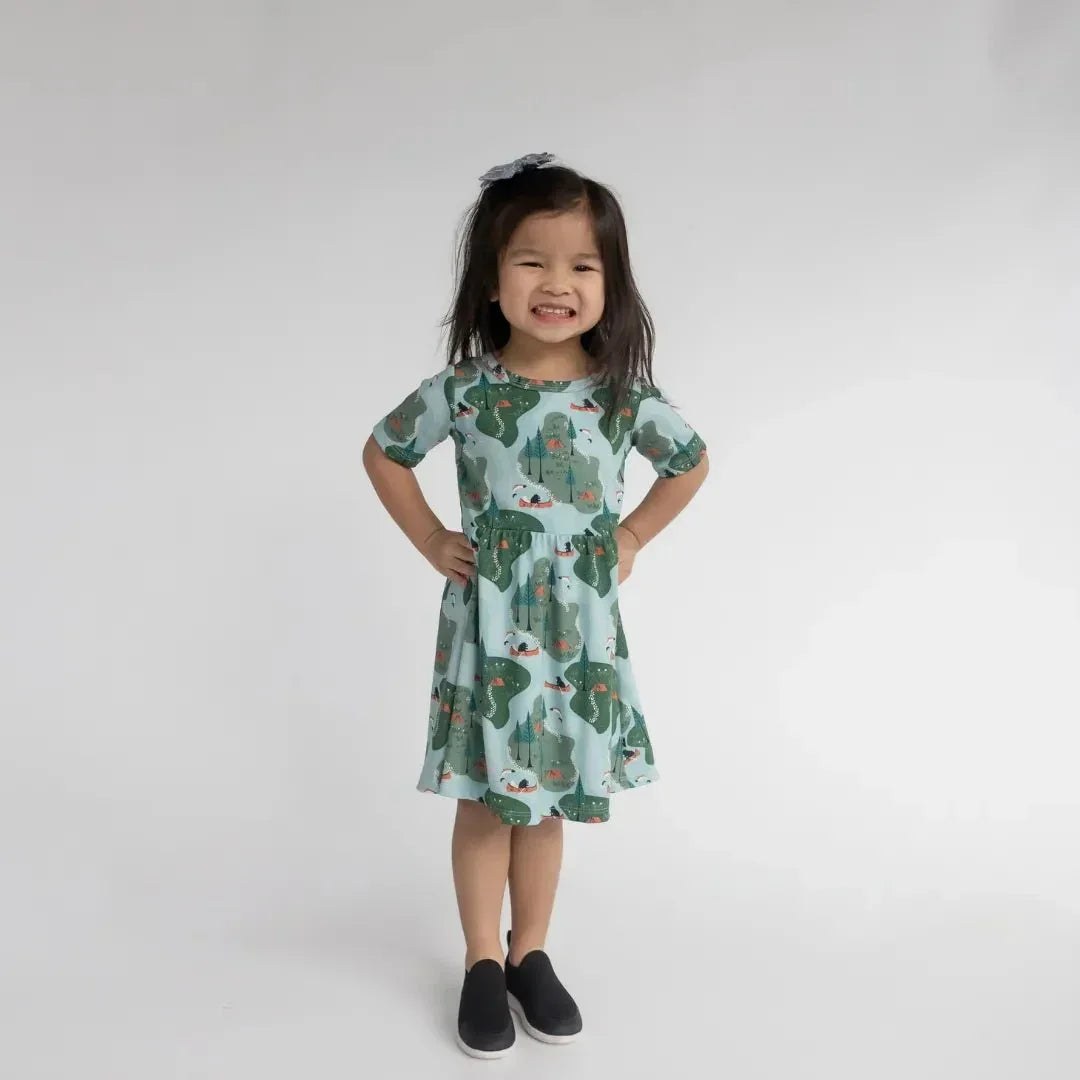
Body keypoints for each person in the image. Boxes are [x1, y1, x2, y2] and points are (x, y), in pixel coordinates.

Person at [363, 152, 710, 1058]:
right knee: (486, 800)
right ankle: (481, 959)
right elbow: (384, 452)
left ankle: (532, 954)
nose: (557, 283)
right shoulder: (468, 392)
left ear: (611, 283)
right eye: (532, 260)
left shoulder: (622, 399)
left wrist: (629, 538)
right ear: (490, 277)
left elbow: (691, 463)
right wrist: (434, 539)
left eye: (582, 265)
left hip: (575, 637)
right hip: (490, 629)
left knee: (546, 805)